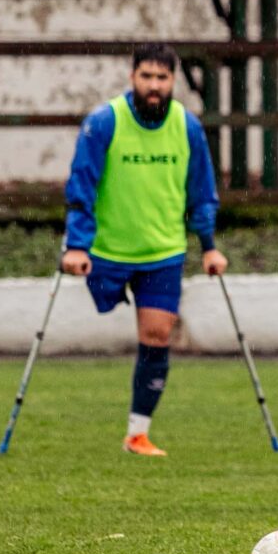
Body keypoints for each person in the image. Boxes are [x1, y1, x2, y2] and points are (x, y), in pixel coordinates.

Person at [62, 43, 223, 456]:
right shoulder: (103, 122)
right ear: (132, 76)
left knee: (156, 334)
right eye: (147, 76)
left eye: (162, 78)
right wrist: (77, 245)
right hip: (106, 252)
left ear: (173, 81)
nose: (154, 85)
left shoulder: (187, 127)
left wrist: (208, 247)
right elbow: (82, 186)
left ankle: (137, 433)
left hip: (162, 253)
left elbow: (201, 192)